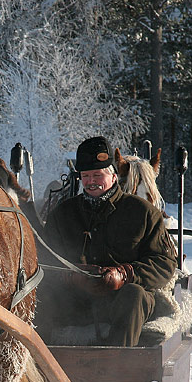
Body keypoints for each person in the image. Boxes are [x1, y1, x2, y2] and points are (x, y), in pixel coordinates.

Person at [41, 136, 177, 347]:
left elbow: (164, 264)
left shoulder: (143, 212)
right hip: (77, 299)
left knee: (135, 295)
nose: (91, 181)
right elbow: (43, 260)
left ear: (113, 176)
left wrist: (124, 275)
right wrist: (71, 276)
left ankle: (116, 370)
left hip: (122, 299)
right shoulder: (63, 214)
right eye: (86, 176)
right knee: (42, 294)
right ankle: (40, 366)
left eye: (97, 174)